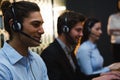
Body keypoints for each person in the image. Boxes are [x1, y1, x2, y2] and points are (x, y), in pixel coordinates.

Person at [41, 10, 120, 80]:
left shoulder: (68, 50)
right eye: (78, 30)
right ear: (65, 29)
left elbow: (79, 77)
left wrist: (103, 75)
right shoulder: (49, 54)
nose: (81, 34)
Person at [0, 1, 49, 80]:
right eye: (36, 24)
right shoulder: (2, 66)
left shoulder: (38, 60)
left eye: (41, 25)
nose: (42, 31)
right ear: (15, 25)